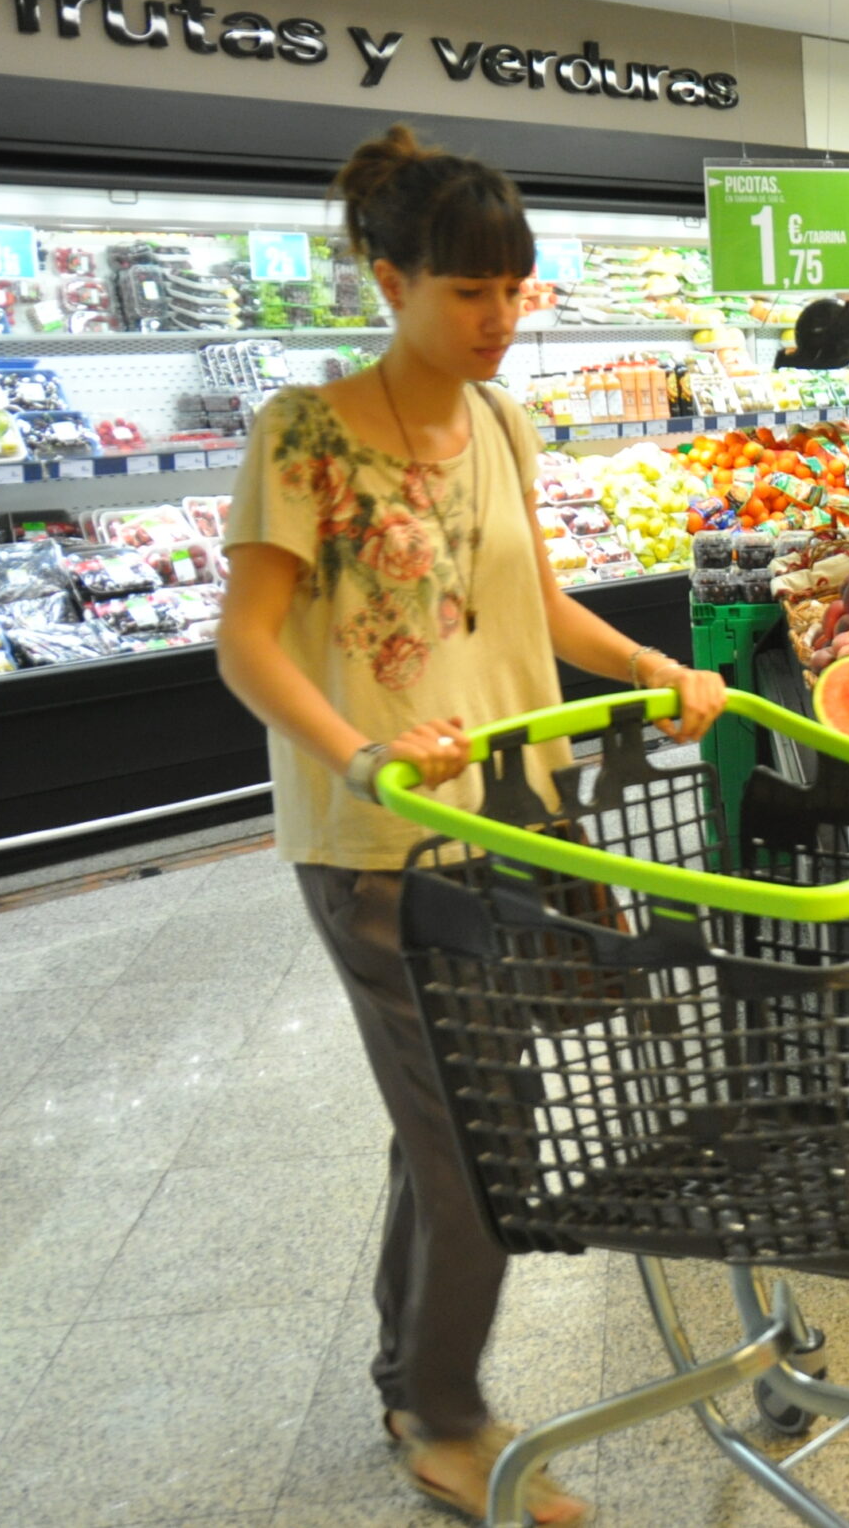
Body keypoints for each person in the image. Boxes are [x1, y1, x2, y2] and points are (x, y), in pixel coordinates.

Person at [217, 125, 724, 1527]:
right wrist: (363, 752)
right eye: (469, 293)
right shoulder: (304, 435)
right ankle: (444, 1418)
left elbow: (532, 607)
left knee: (447, 1115)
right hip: (375, 845)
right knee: (478, 1139)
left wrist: (658, 669)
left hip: (516, 823)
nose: (501, 321)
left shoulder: (504, 421)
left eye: (517, 290)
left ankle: (404, 1371)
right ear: (390, 279)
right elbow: (247, 646)